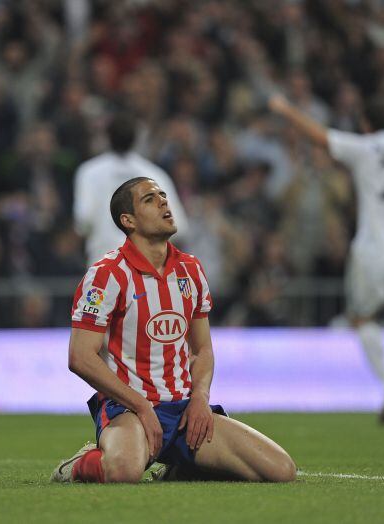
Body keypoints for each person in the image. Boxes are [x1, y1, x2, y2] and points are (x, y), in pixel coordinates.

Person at [51, 177, 296, 483]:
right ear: (128, 220)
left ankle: (181, 467)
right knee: (124, 472)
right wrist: (140, 405)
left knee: (281, 471)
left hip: (183, 408)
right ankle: (77, 465)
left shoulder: (190, 269)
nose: (164, 202)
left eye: (163, 195)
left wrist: (200, 398)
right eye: (149, 199)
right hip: (127, 408)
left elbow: (202, 349)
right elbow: (80, 357)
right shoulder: (107, 274)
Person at [268, 85, 384, 424]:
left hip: (372, 252)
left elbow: (320, 137)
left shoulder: (364, 148)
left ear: (367, 123)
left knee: (361, 319)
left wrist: (285, 109)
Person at [73, 113, 189, 266]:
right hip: (146, 266)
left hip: (104, 266)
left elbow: (83, 220)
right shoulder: (154, 174)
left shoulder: (89, 172)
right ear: (136, 139)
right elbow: (179, 226)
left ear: (107, 137)